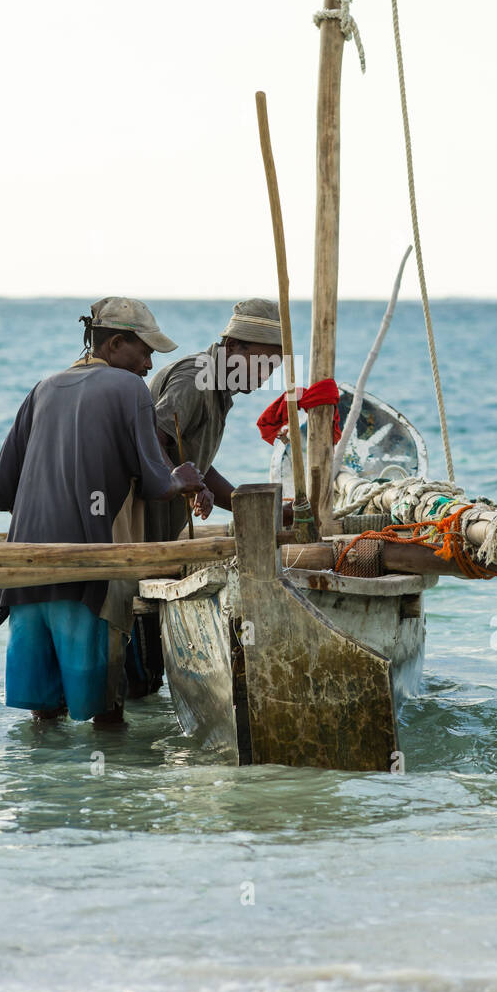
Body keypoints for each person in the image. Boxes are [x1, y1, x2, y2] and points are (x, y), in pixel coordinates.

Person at [0, 297, 207, 726]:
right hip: (92, 578)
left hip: (25, 574)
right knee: (106, 719)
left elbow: (5, 490)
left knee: (43, 721)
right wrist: (186, 477)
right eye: (145, 353)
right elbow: (159, 484)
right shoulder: (128, 389)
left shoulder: (43, 388)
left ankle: (45, 792)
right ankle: (109, 791)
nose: (147, 366)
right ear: (117, 343)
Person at [125, 299, 288, 698]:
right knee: (138, 671)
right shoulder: (196, 377)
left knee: (146, 673)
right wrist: (188, 483)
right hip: (141, 531)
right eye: (262, 364)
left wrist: (251, 507)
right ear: (233, 346)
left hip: (162, 532)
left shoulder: (218, 386)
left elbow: (190, 461)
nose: (265, 375)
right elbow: (154, 438)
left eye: (273, 369)